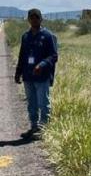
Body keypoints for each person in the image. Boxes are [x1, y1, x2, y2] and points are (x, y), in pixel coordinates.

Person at [14, 9, 58, 137]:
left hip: (42, 77)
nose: (34, 20)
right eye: (31, 18)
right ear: (28, 19)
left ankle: (43, 128)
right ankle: (34, 126)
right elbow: (22, 56)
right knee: (31, 103)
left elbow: (53, 56)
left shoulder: (47, 36)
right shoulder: (25, 36)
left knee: (43, 103)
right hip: (28, 76)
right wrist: (18, 72)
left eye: (36, 18)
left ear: (41, 19)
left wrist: (42, 65)